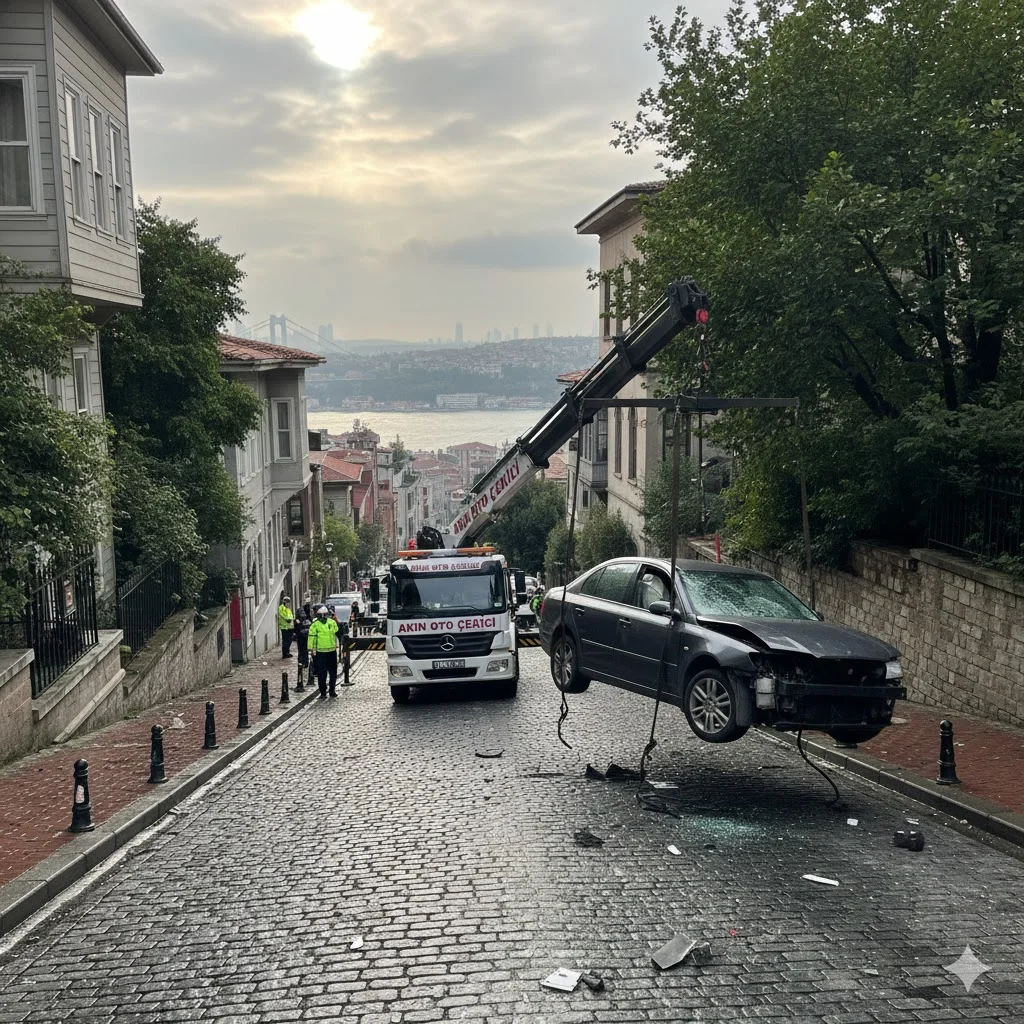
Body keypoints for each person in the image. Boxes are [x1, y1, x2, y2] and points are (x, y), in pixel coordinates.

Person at [308, 605, 339, 698]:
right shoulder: (330, 622)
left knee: (325, 673)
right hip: (326, 652)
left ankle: (325, 692)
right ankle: (329, 692)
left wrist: (311, 650)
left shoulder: (315, 624)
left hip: (325, 652)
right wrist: (311, 650)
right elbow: (311, 638)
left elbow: (311, 638)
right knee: (327, 673)